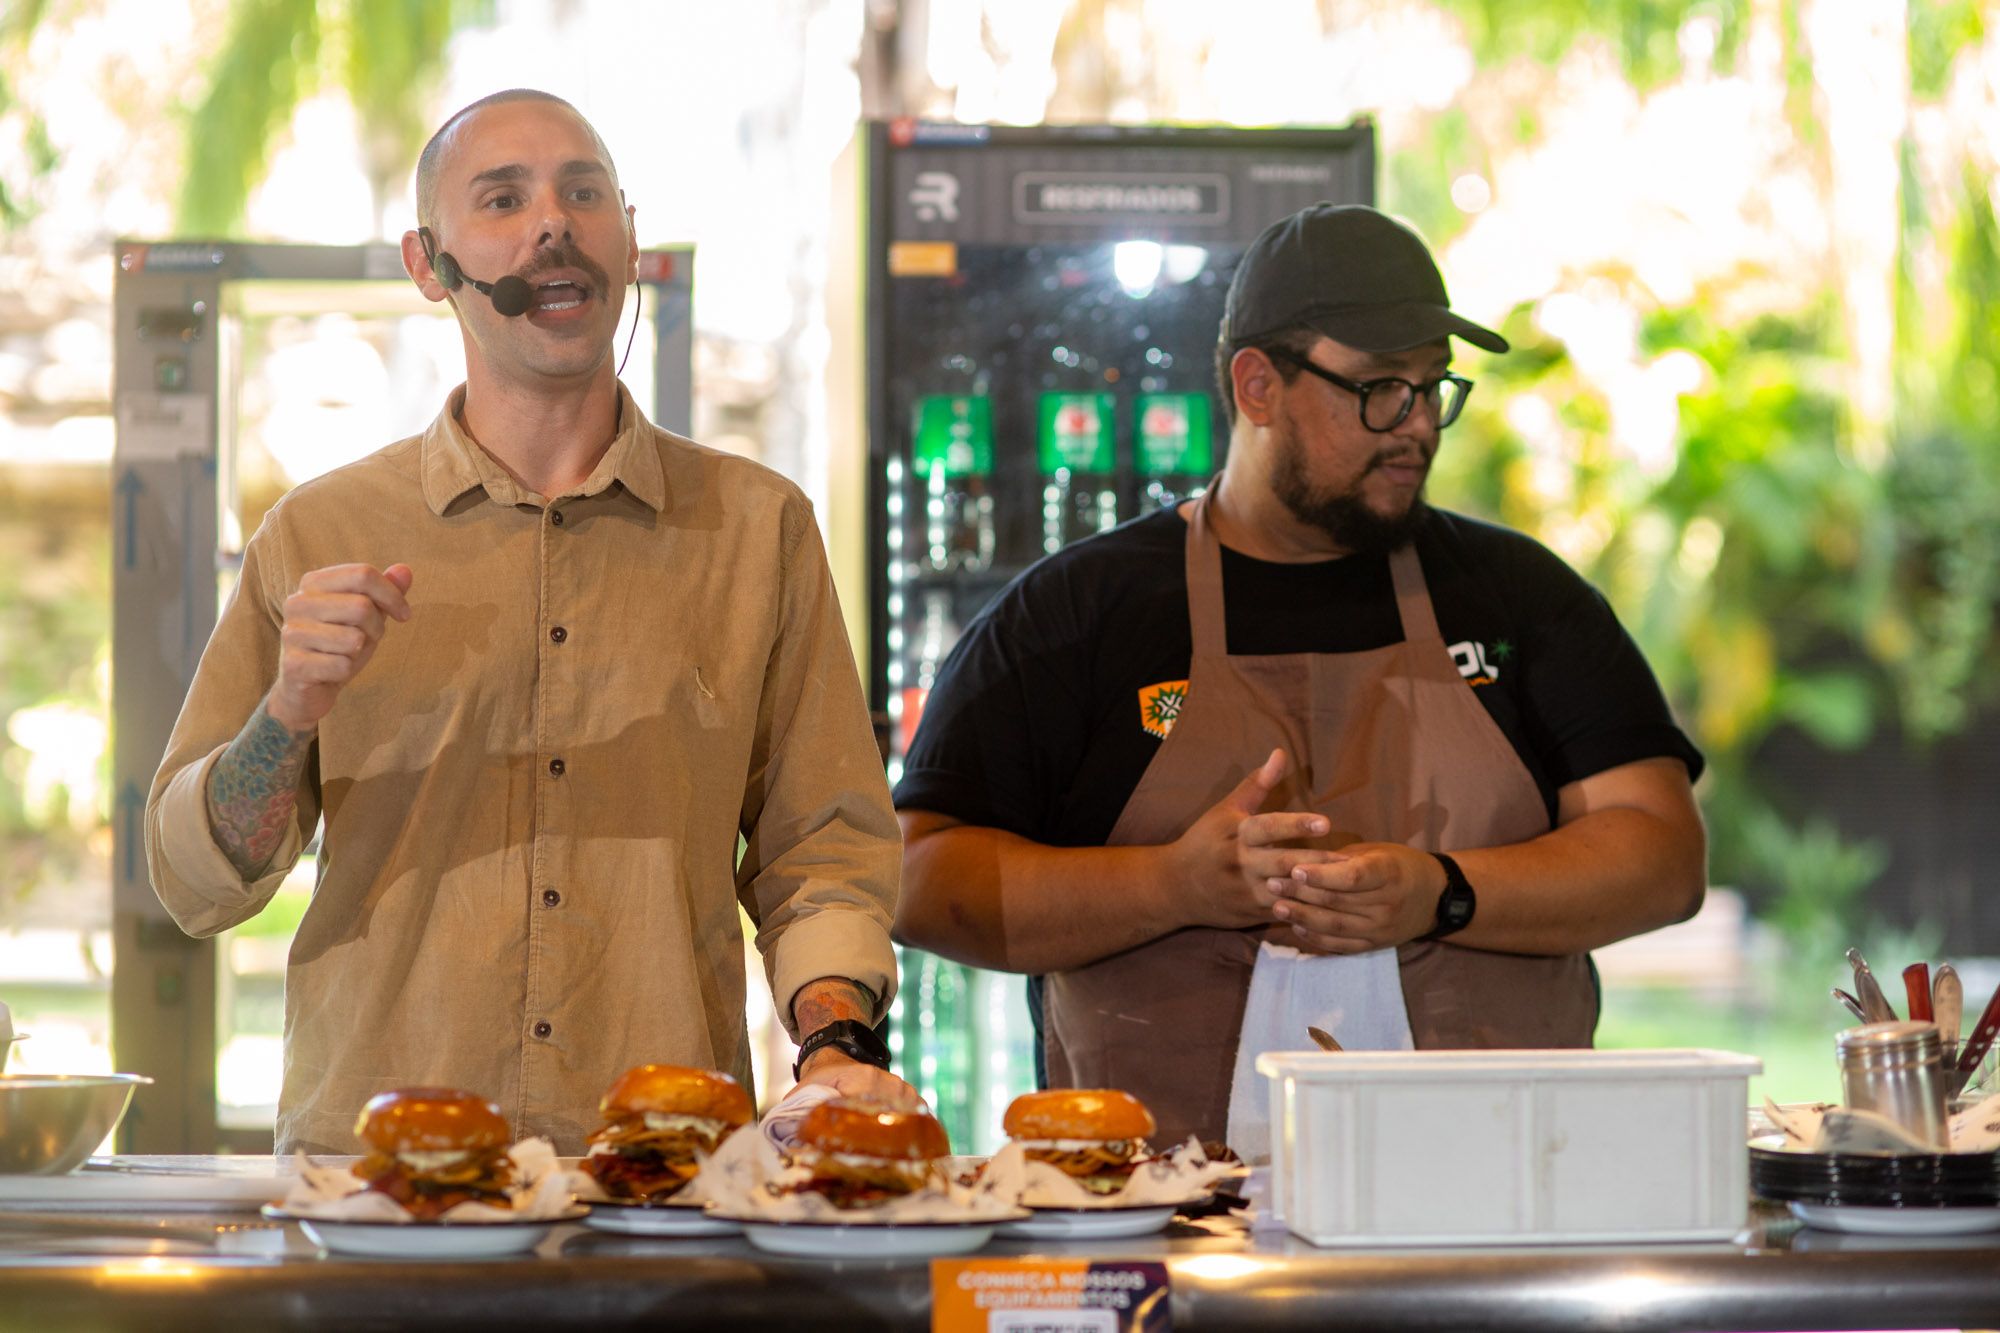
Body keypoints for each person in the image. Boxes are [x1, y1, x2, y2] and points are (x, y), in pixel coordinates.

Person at [146, 89, 914, 1155]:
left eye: (584, 193)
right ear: (430, 264)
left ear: (629, 241)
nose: (553, 222)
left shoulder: (758, 529)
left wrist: (835, 1051)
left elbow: (821, 849)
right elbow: (194, 881)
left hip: (659, 1175)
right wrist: (289, 710)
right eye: (502, 198)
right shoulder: (318, 531)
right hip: (376, 1180)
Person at [891, 203, 1708, 1153]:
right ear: (1258, 386)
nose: (1414, 427)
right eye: (1377, 389)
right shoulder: (1077, 614)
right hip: (1160, 1232)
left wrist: (1443, 892)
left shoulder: (1520, 599)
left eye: (1432, 387)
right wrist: (1171, 886)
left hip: (1493, 1208)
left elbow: (1663, 851)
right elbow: (916, 880)